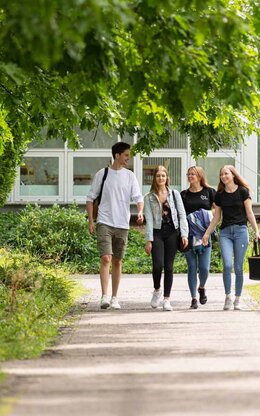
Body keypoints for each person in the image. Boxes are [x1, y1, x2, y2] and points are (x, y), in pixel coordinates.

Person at [86, 142, 144, 310]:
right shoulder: (102, 174)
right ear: (117, 155)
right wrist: (91, 220)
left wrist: (140, 212)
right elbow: (90, 199)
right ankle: (104, 296)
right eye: (126, 155)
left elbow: (138, 197)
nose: (128, 158)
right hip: (104, 221)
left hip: (122, 223)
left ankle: (114, 297)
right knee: (106, 258)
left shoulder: (130, 176)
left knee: (117, 261)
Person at [202, 165, 260, 311]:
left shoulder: (243, 192)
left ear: (233, 175)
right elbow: (216, 217)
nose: (223, 176)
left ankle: (238, 299)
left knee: (239, 267)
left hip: (241, 231)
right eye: (221, 174)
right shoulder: (219, 195)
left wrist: (256, 231)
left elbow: (249, 213)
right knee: (228, 265)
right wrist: (207, 233)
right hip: (225, 233)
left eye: (226, 173)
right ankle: (228, 297)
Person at [144, 165, 189, 311]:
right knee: (158, 265)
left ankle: (167, 299)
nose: (161, 178)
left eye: (163, 176)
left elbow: (182, 215)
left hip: (172, 232)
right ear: (155, 179)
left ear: (167, 178)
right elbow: (149, 220)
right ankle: (157, 290)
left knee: (169, 267)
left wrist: (184, 234)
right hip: (157, 232)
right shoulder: (149, 198)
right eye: (158, 176)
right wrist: (149, 240)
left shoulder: (174, 194)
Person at [181, 166, 216, 309]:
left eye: (193, 174)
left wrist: (206, 215)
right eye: (188, 174)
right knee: (192, 267)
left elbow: (217, 210)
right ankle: (193, 298)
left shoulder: (209, 192)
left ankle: (201, 287)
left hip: (205, 235)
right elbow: (180, 215)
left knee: (204, 268)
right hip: (189, 236)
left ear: (200, 176)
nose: (190, 176)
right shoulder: (184, 195)